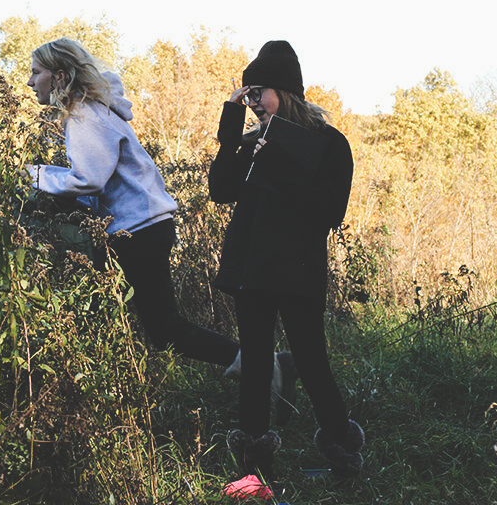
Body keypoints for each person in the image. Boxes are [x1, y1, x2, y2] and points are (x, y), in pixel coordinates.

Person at [25, 38, 296, 395]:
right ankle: (268, 366)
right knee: (156, 324)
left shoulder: (85, 115)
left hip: (139, 230)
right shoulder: (95, 110)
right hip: (144, 225)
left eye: (36, 72)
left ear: (59, 75)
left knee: (165, 328)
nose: (30, 81)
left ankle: (268, 367)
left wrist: (33, 175)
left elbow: (89, 180)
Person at [208, 40, 362, 492]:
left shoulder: (329, 143)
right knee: (256, 364)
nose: (253, 103)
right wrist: (231, 127)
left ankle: (344, 454)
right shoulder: (255, 142)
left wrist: (279, 161)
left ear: (286, 91)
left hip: (298, 270)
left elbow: (330, 211)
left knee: (312, 362)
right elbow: (220, 189)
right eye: (247, 95)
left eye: (258, 93)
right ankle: (254, 472)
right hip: (253, 270)